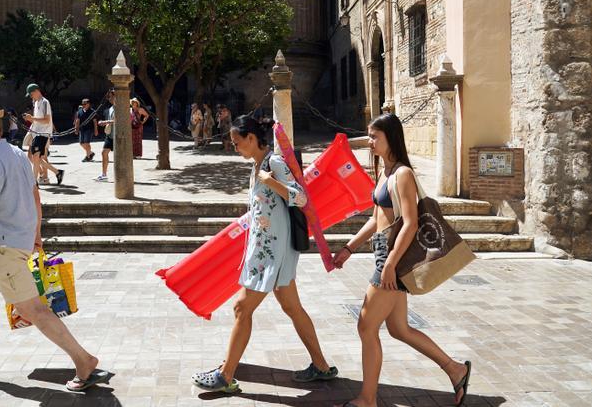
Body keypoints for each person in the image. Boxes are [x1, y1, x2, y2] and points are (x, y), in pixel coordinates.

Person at [0, 99, 108, 392]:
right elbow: (35, 197)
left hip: (5, 247)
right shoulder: (16, 153)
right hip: (8, 245)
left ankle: (83, 360)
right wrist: (36, 234)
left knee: (33, 310)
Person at [331, 113, 471, 407]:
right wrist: (348, 248)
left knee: (366, 327)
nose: (369, 142)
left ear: (390, 138)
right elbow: (377, 219)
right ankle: (456, 369)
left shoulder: (403, 174)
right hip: (385, 251)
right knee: (399, 329)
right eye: (369, 136)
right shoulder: (386, 171)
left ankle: (367, 399)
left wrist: (391, 264)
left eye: (374, 137)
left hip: (391, 257)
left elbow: (410, 223)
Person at [192, 116, 338, 393]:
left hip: (273, 253)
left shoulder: (274, 164)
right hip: (266, 248)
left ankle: (225, 376)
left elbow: (301, 197)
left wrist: (271, 182)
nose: (235, 148)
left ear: (250, 138)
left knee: (241, 308)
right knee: (292, 307)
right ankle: (321, 366)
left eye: (237, 143)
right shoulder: (257, 166)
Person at [23, 83, 64, 185]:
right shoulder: (36, 103)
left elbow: (46, 120)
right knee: (36, 157)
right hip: (37, 134)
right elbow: (38, 121)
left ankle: (34, 182)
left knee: (36, 157)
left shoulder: (45, 102)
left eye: (31, 94)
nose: (31, 97)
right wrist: (30, 118)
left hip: (43, 134)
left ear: (36, 91)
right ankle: (57, 172)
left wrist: (31, 118)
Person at [95, 92, 116, 182]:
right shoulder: (111, 108)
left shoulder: (121, 107)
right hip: (110, 135)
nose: (109, 99)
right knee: (104, 153)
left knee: (119, 157)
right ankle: (104, 175)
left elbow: (119, 120)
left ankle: (121, 175)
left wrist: (105, 122)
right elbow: (113, 121)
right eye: (108, 97)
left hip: (118, 135)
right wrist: (106, 123)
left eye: (110, 97)